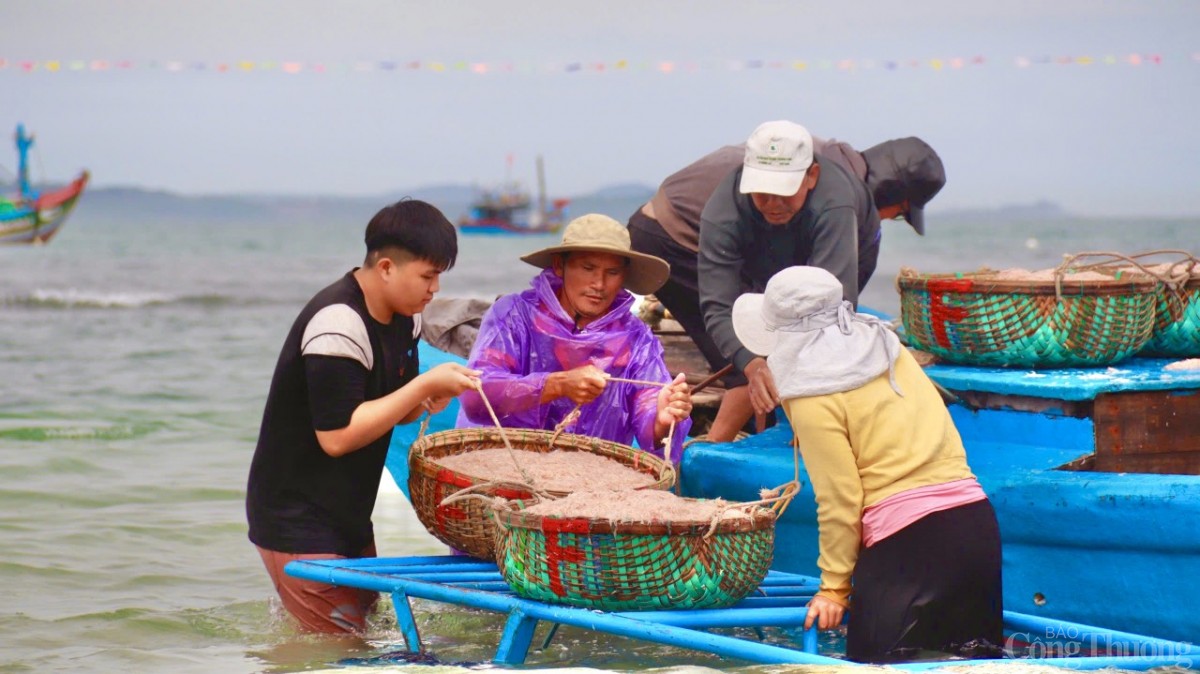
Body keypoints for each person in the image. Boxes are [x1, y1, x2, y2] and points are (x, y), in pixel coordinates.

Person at [731, 266, 1003, 663]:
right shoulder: (889, 349)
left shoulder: (810, 397)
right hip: (975, 529)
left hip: (908, 547)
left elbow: (841, 500)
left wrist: (834, 589)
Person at [245, 199, 482, 634]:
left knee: (364, 631)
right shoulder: (337, 324)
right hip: (294, 516)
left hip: (347, 515)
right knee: (340, 647)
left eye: (439, 278)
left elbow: (397, 407)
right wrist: (423, 386)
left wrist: (429, 399)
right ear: (387, 267)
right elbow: (336, 437)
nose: (434, 290)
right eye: (427, 276)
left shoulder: (406, 319)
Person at [628, 128, 944, 441]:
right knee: (752, 351)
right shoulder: (828, 195)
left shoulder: (834, 172)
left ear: (811, 176)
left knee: (775, 336)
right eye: (899, 215)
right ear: (890, 195)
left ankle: (761, 426)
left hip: (657, 222)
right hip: (673, 237)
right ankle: (710, 450)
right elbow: (798, 308)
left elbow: (823, 301)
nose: (888, 221)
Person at [457, 213, 693, 462]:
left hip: (590, 478)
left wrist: (663, 420)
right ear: (560, 265)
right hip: (500, 464)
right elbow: (476, 396)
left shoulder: (637, 339)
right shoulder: (514, 315)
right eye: (588, 268)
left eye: (612, 272)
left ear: (624, 276)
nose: (599, 284)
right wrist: (558, 385)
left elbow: (649, 415)